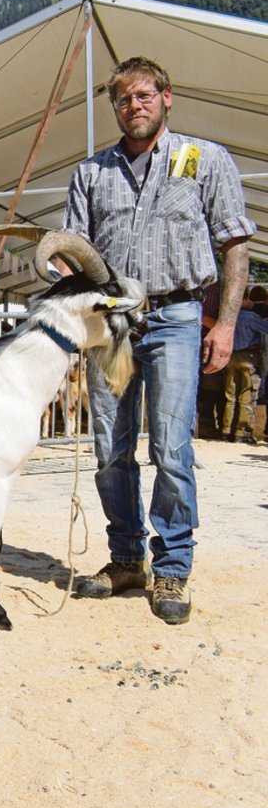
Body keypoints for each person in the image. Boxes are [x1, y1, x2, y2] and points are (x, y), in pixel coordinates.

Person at [65, 56, 255, 625]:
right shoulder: (91, 173)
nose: (135, 106)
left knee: (171, 447)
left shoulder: (205, 161)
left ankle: (171, 567)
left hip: (176, 317)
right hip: (111, 323)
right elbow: (72, 256)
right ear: (114, 107)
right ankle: (125, 558)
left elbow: (235, 245)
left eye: (144, 95)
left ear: (166, 97)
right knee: (109, 449)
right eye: (123, 99)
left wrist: (223, 324)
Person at [223, 306, 268, 444]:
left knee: (230, 396)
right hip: (249, 358)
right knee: (247, 396)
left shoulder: (228, 316)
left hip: (231, 358)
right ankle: (242, 432)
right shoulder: (251, 317)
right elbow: (265, 329)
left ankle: (227, 430)